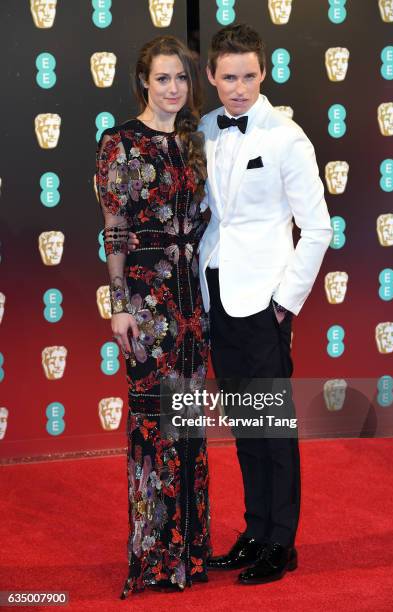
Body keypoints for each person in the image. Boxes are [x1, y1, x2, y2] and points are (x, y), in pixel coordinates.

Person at [198, 24, 332, 585]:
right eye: (228, 77)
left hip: (264, 303)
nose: (239, 88)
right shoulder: (203, 129)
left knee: (273, 426)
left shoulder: (287, 137)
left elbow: (319, 227)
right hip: (216, 296)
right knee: (245, 424)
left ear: (263, 73)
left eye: (248, 76)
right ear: (211, 76)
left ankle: (281, 541)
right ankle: (254, 532)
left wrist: (285, 303)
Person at [96, 35, 210, 597]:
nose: (173, 89)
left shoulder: (194, 139)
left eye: (182, 79)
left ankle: (190, 551)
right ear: (144, 81)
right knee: (151, 427)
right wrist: (118, 307)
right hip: (147, 305)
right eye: (163, 78)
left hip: (193, 307)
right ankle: (154, 557)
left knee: (187, 427)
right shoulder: (118, 142)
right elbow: (115, 231)